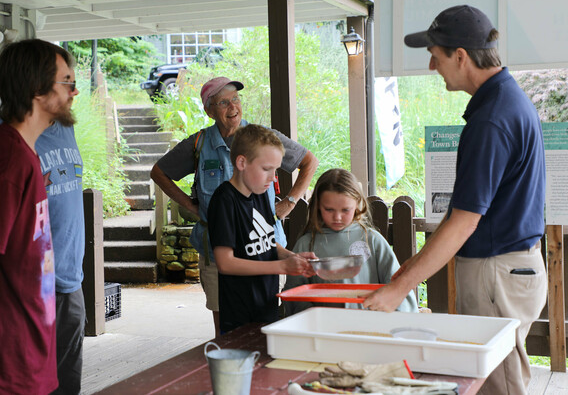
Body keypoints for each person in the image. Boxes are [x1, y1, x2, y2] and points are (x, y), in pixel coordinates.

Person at [362, 5, 547, 395]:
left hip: (498, 271)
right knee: (484, 381)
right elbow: (461, 213)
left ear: (460, 56)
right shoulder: (504, 100)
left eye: (435, 56)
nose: (432, 67)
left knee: (500, 387)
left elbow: (465, 221)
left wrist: (398, 291)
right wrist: (408, 271)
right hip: (507, 270)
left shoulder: (492, 119)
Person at [150, 76, 318, 336]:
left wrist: (290, 203)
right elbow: (158, 172)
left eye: (236, 99)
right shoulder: (200, 147)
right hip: (218, 249)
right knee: (230, 333)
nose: (233, 107)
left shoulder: (262, 143)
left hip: (263, 252)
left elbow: (309, 162)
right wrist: (189, 205)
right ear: (209, 111)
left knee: (267, 326)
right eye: (223, 102)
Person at [0, 39, 78, 394]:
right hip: (8, 354)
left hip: (30, 341)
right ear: (37, 90)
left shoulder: (23, 154)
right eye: (66, 82)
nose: (74, 92)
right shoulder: (10, 159)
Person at [207, 124, 315, 333]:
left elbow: (266, 243)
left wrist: (292, 257)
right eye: (266, 169)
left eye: (275, 170)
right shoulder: (225, 201)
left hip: (266, 305)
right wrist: (282, 267)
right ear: (242, 163)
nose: (273, 177)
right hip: (239, 314)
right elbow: (225, 263)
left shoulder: (260, 194)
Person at [284, 168, 418, 315]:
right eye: (329, 209)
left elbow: (398, 286)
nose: (337, 217)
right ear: (317, 206)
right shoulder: (305, 244)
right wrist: (312, 315)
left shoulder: (372, 241)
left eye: (345, 210)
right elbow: (294, 295)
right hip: (324, 327)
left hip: (370, 327)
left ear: (357, 204)